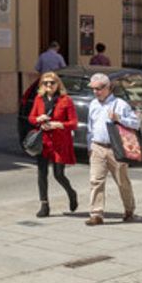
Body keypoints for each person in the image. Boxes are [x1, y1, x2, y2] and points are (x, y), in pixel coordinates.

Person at [83, 71, 141, 225]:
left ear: (108, 88)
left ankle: (129, 210)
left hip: (116, 149)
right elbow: (90, 127)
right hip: (98, 146)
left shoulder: (120, 104)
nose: (96, 92)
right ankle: (96, 214)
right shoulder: (93, 104)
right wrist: (90, 146)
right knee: (96, 181)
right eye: (93, 89)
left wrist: (119, 118)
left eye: (99, 88)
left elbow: (136, 123)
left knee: (122, 182)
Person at [28, 71, 80, 217]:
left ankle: (71, 192)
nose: (49, 85)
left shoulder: (66, 100)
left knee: (58, 174)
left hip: (59, 142)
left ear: (58, 84)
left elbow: (74, 123)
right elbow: (31, 118)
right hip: (43, 142)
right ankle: (44, 205)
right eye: (45, 83)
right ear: (42, 85)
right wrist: (38, 119)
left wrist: (58, 124)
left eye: (52, 82)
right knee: (41, 173)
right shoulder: (39, 99)